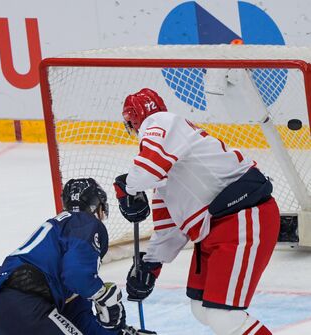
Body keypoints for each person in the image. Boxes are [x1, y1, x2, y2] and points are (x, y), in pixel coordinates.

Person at [113, 88, 279, 335]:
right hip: (217, 229)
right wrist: (149, 266)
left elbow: (146, 172)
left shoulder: (161, 122)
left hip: (243, 220)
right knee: (202, 308)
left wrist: (125, 188)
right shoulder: (167, 164)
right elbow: (169, 230)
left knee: (224, 316)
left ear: (133, 120)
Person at [0, 178, 147, 335]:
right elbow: (77, 275)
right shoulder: (84, 223)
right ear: (97, 207)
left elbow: (80, 321)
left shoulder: (56, 247)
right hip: (29, 311)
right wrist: (102, 295)